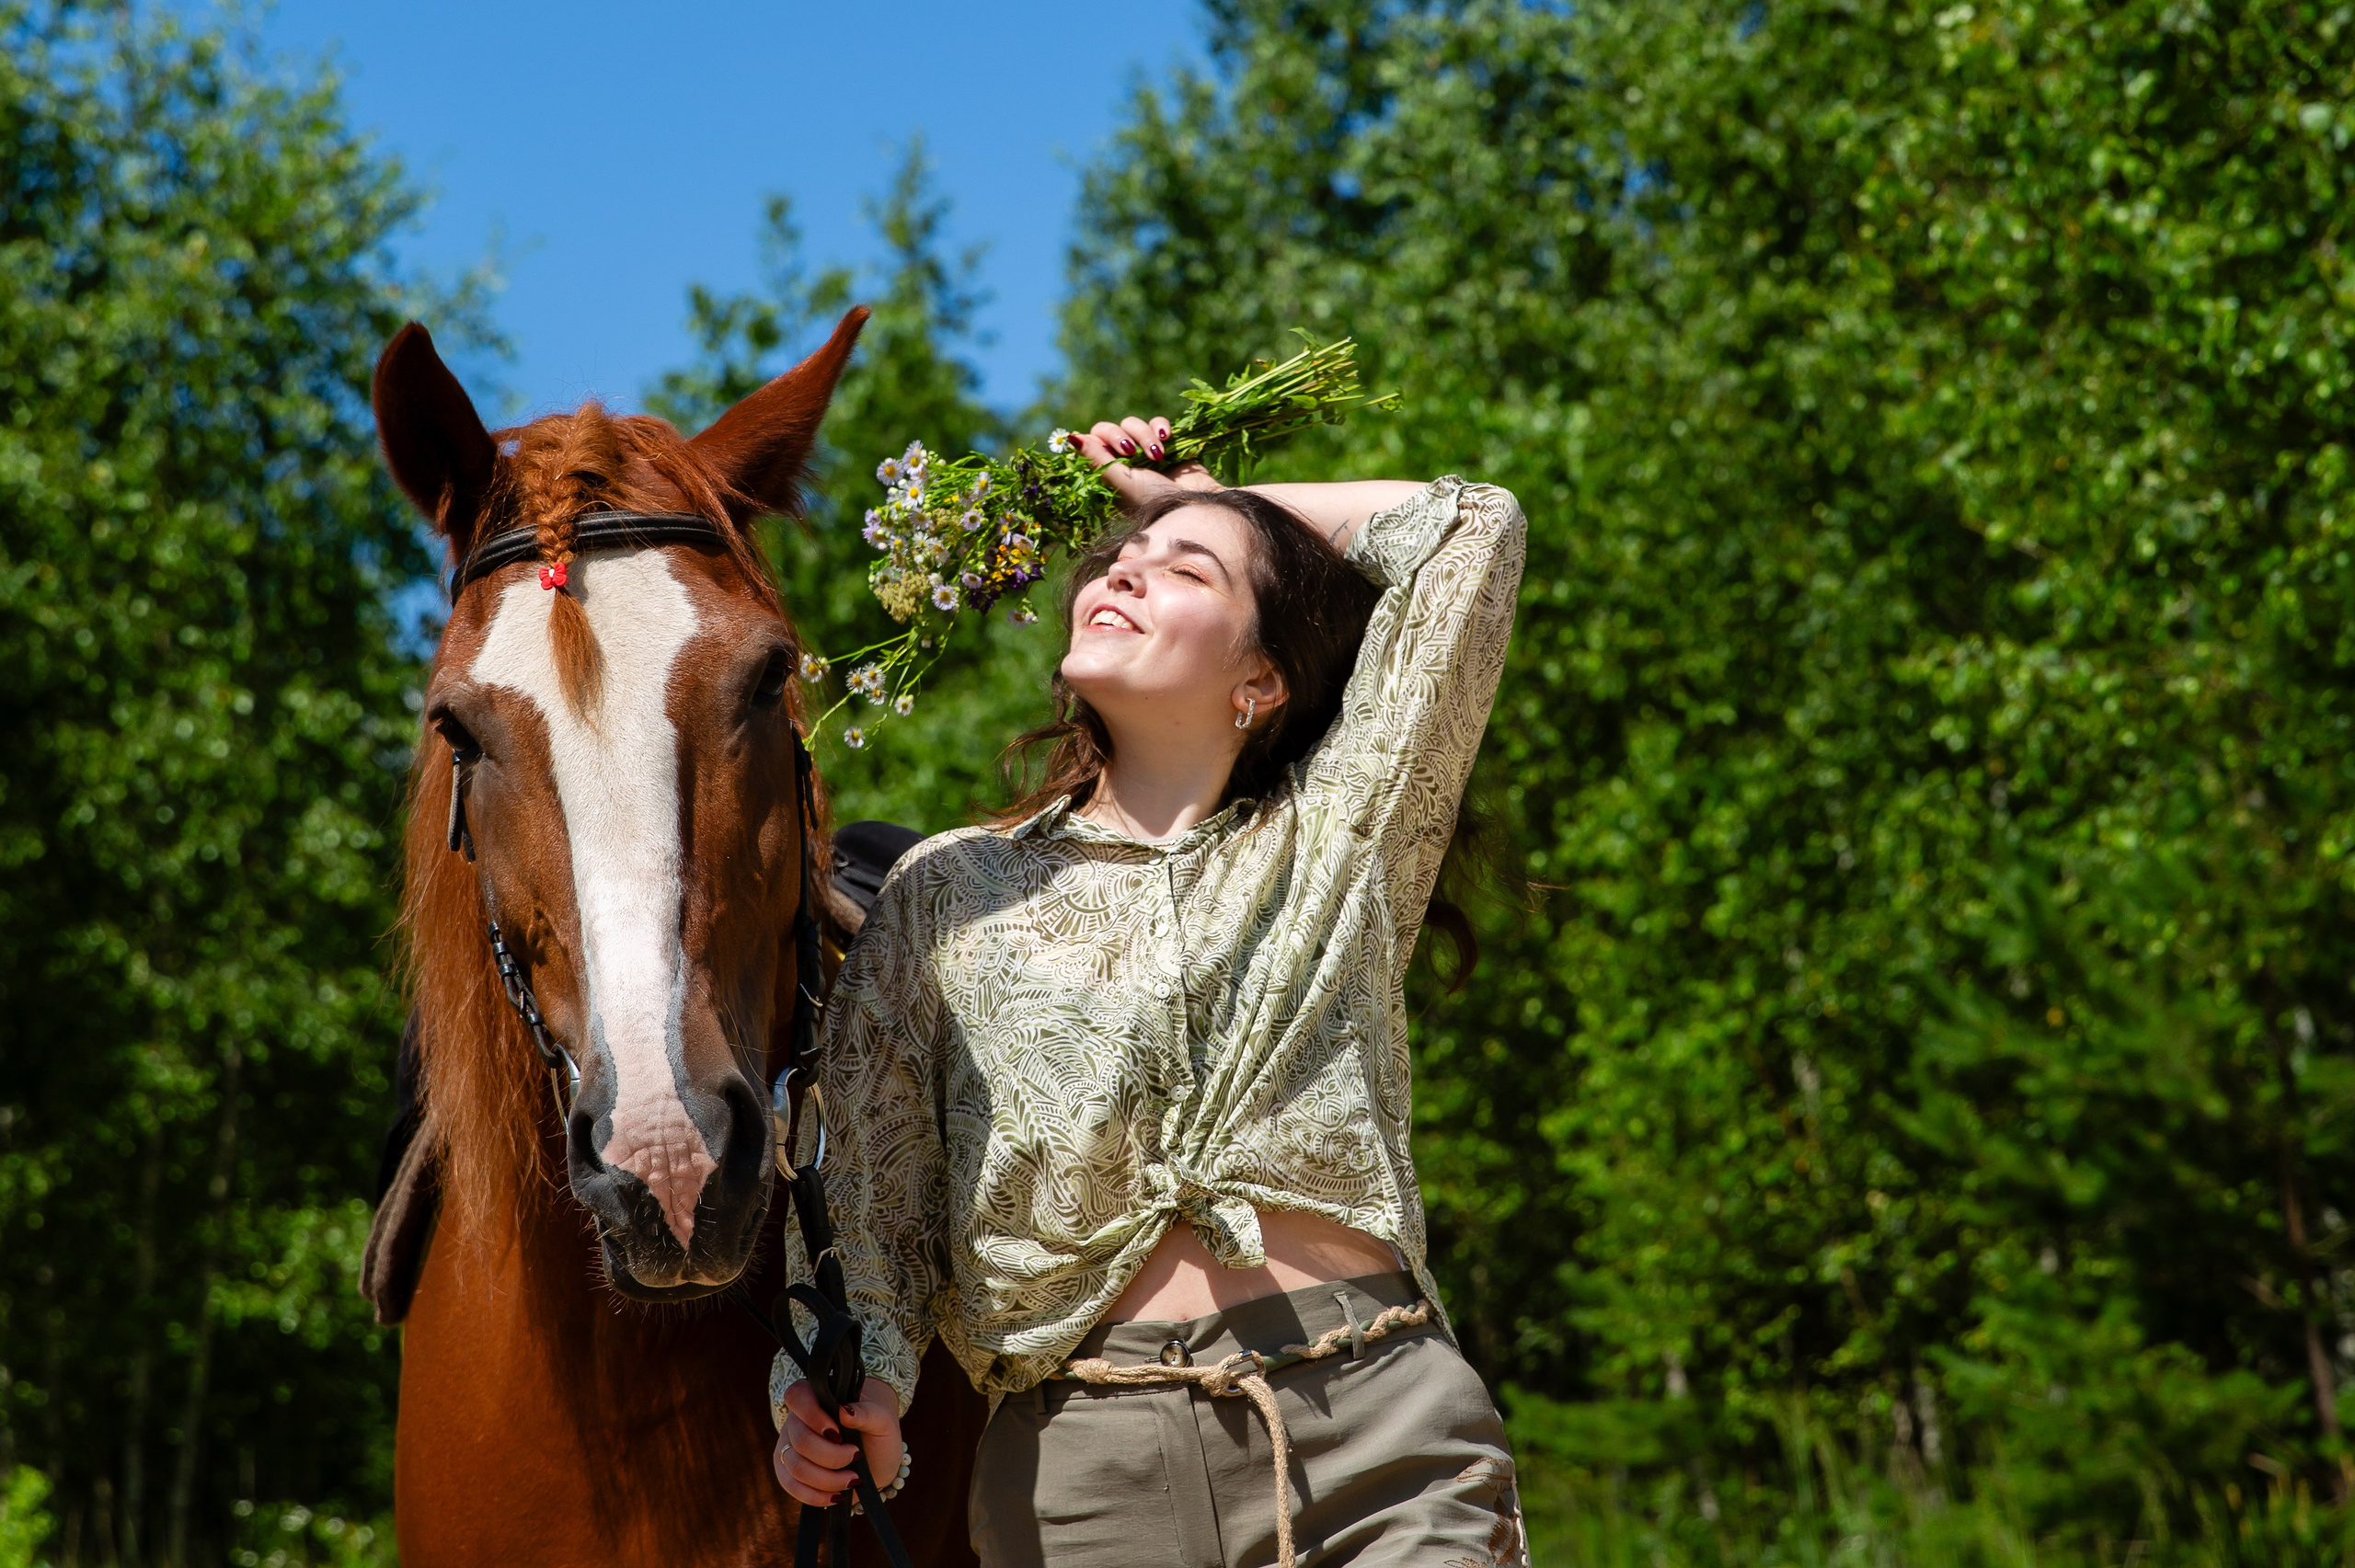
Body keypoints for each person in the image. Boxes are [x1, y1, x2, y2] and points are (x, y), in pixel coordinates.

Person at [771, 411, 1528, 1568]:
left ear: (1261, 678)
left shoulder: (1343, 829)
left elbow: (1472, 531)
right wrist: (851, 1391)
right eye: (1121, 559)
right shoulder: (946, 892)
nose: (1126, 564)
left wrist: (1196, 493)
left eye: (1185, 569)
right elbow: (873, 1203)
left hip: (1371, 1431)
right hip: (1082, 1481)